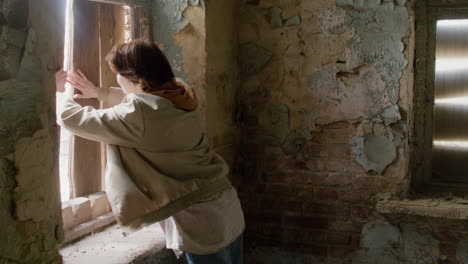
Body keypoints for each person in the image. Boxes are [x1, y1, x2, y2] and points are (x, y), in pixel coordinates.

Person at [55, 39, 245, 264]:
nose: (117, 78)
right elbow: (147, 102)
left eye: (118, 74)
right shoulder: (182, 91)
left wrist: (59, 91)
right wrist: (100, 93)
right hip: (226, 205)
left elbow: (71, 118)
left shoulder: (140, 115)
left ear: (138, 79)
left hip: (199, 220)